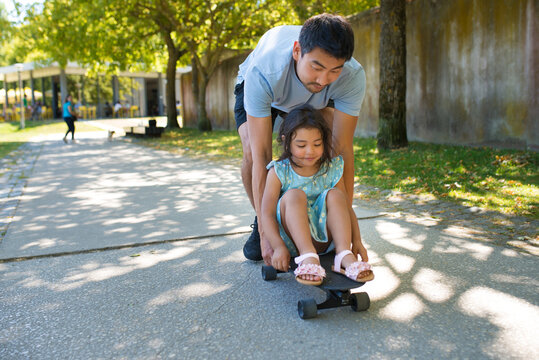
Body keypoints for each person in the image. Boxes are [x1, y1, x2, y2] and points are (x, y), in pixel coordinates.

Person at [235, 13, 366, 263]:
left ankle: (318, 218)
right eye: (316, 66)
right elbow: (263, 153)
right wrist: (267, 237)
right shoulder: (264, 70)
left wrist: (345, 233)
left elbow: (343, 151)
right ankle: (266, 222)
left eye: (334, 70)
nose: (323, 79)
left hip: (313, 100)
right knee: (253, 150)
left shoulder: (351, 77)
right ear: (297, 51)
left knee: (326, 148)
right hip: (268, 92)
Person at [261, 106, 373, 285]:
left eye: (317, 144)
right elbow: (266, 214)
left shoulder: (331, 169)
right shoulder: (279, 171)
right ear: (286, 142)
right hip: (294, 242)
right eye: (301, 145)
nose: (309, 151)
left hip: (327, 239)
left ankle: (344, 255)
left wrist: (356, 240)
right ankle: (308, 256)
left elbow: (346, 208)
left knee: (336, 195)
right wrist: (278, 246)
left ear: (324, 141)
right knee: (294, 195)